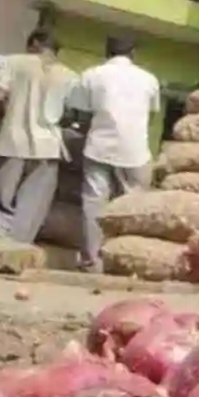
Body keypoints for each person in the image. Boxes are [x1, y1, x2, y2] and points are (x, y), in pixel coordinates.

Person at [69, 35, 160, 273]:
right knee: (133, 208)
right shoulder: (149, 79)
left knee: (94, 204)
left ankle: (92, 261)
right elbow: (151, 117)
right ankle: (127, 262)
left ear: (107, 52)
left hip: (98, 147)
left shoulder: (91, 75)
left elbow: (81, 116)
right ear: (133, 54)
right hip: (135, 151)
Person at [0, 29, 79, 243]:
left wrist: (5, 117)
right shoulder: (68, 74)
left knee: (3, 197)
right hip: (48, 145)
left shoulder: (13, 62)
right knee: (34, 203)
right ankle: (18, 248)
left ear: (33, 44)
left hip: (12, 140)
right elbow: (71, 113)